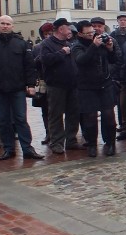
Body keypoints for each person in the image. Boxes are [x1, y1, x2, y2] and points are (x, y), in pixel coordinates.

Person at [0, 15, 44, 161]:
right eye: (2, 23)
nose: (5, 26)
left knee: (20, 118)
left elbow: (29, 66)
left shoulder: (20, 43)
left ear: (12, 26)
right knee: (4, 120)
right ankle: (8, 148)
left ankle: (27, 148)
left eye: (8, 24)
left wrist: (31, 85)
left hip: (17, 88)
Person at [72, 20, 121, 157]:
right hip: (87, 86)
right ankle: (92, 144)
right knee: (90, 117)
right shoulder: (77, 46)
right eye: (88, 33)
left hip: (105, 84)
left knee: (109, 115)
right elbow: (82, 60)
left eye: (92, 32)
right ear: (80, 33)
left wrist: (110, 48)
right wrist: (93, 46)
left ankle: (110, 143)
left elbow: (112, 59)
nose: (91, 35)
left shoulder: (100, 42)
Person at [40, 18, 80, 154]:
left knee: (73, 114)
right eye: (68, 28)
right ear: (61, 29)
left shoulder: (69, 43)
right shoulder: (47, 44)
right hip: (56, 85)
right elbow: (45, 60)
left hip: (72, 84)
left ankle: (71, 140)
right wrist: (62, 52)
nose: (70, 31)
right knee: (56, 114)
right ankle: (56, 142)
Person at [110, 13, 126, 137]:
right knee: (123, 101)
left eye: (125, 20)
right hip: (120, 71)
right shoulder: (113, 35)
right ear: (118, 22)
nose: (123, 22)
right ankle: (124, 125)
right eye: (120, 20)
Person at [32, 22, 55, 144]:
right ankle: (48, 133)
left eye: (50, 33)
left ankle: (58, 134)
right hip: (43, 82)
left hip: (57, 81)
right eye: (46, 34)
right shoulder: (37, 48)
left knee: (57, 110)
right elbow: (33, 65)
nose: (48, 36)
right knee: (45, 110)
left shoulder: (59, 45)